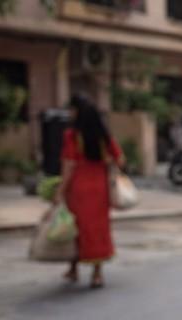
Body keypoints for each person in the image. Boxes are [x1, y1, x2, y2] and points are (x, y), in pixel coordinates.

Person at [54, 94, 124, 289]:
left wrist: (60, 191)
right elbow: (120, 159)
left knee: (76, 229)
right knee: (97, 230)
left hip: (78, 189)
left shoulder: (71, 135)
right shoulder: (104, 136)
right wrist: (107, 163)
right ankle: (97, 274)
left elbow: (68, 165)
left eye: (72, 110)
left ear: (78, 112)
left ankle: (73, 268)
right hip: (100, 189)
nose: (70, 113)